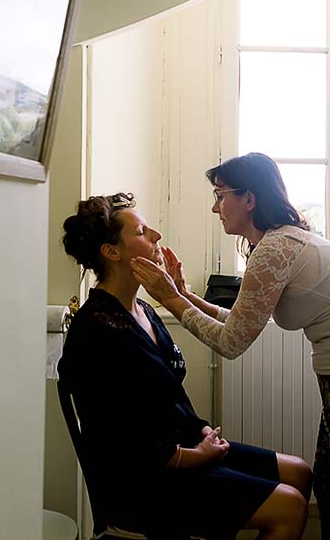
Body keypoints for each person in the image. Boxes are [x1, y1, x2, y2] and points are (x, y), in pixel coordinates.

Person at [132, 154, 330, 540]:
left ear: (249, 198)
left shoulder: (273, 250)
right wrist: (184, 295)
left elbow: (231, 342)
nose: (215, 207)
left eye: (220, 195)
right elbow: (240, 319)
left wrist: (170, 299)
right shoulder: (276, 242)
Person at [58, 192, 310, 540]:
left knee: (299, 473)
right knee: (291, 506)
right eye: (142, 231)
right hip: (146, 482)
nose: (156, 236)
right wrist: (194, 456)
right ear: (111, 252)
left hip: (185, 450)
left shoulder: (143, 310)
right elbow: (130, 443)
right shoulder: (98, 331)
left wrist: (202, 431)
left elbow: (169, 396)